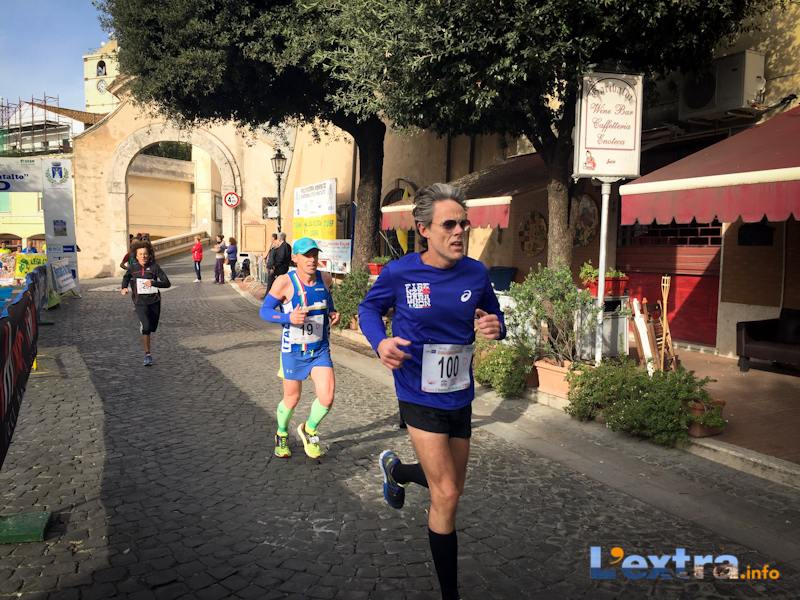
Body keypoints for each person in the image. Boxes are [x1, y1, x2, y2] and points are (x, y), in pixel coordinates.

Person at [358, 183, 505, 600]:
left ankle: (397, 472)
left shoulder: (476, 273)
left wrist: (496, 327)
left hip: (459, 393)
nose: (459, 232)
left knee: (451, 482)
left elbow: (495, 317)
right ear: (424, 229)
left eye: (464, 224)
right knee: (447, 493)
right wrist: (381, 342)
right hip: (416, 391)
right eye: (449, 225)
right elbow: (369, 308)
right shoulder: (400, 273)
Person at [258, 237, 340, 459]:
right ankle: (282, 433)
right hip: (293, 350)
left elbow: (327, 303)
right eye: (306, 255)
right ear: (295, 258)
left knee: (327, 397)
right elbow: (264, 311)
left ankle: (309, 429)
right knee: (292, 398)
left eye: (314, 255)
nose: (312, 260)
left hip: (319, 349)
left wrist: (333, 313)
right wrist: (288, 317)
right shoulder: (284, 282)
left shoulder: (325, 278)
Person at [120, 241, 172, 366]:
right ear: (136, 256)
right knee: (146, 327)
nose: (143, 256)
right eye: (140, 254)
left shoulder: (155, 267)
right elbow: (126, 277)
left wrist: (153, 283)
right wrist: (124, 287)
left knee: (152, 327)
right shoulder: (133, 268)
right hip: (139, 302)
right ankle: (147, 355)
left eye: (145, 254)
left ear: (149, 255)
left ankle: (145, 327)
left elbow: (167, 283)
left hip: (154, 301)